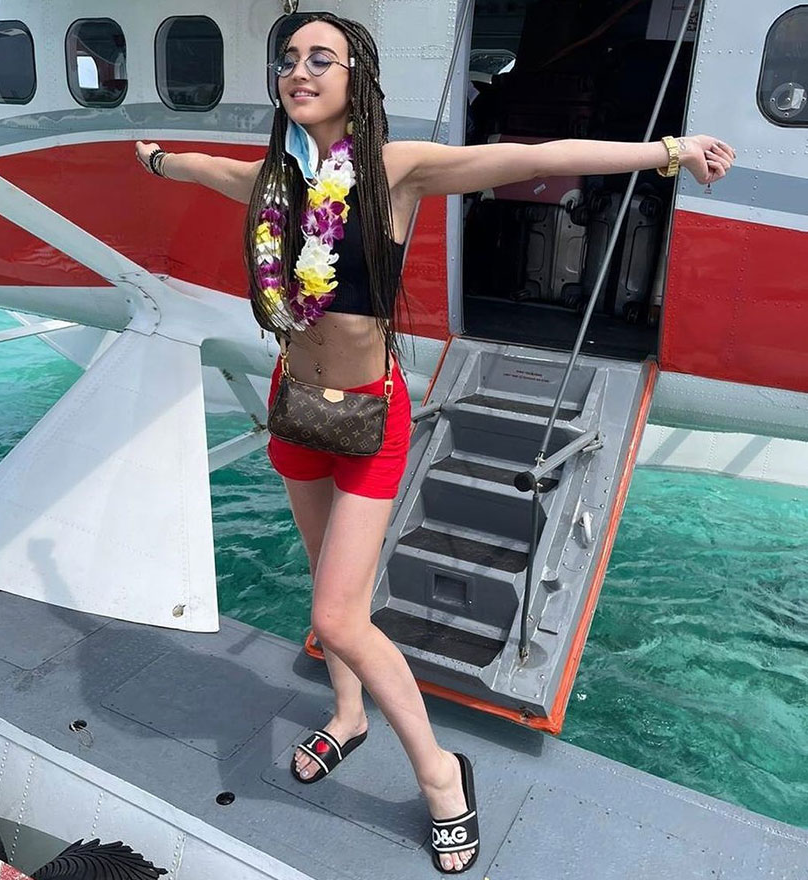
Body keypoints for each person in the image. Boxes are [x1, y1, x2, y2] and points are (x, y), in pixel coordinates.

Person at [135, 12, 735, 873]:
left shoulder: (394, 169)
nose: (299, 71)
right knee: (323, 579)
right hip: (295, 406)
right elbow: (204, 168)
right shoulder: (274, 182)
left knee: (336, 615)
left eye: (321, 58)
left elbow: (534, 157)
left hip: (369, 416)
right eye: (288, 59)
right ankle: (348, 716)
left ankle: (440, 774)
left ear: (357, 78)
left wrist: (669, 151)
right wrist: (157, 158)